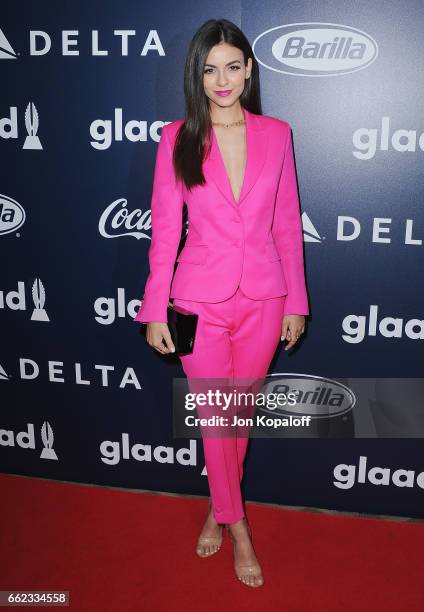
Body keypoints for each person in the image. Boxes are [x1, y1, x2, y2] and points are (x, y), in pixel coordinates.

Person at [134, 18, 309, 588]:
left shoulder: (278, 134)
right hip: (196, 301)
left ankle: (217, 506)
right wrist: (154, 307)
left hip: (265, 295)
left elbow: (286, 226)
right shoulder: (176, 138)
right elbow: (164, 231)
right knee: (216, 417)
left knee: (239, 418)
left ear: (250, 70)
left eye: (233, 66)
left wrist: (296, 303)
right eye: (209, 69)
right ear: (197, 76)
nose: (222, 79)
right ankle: (239, 529)